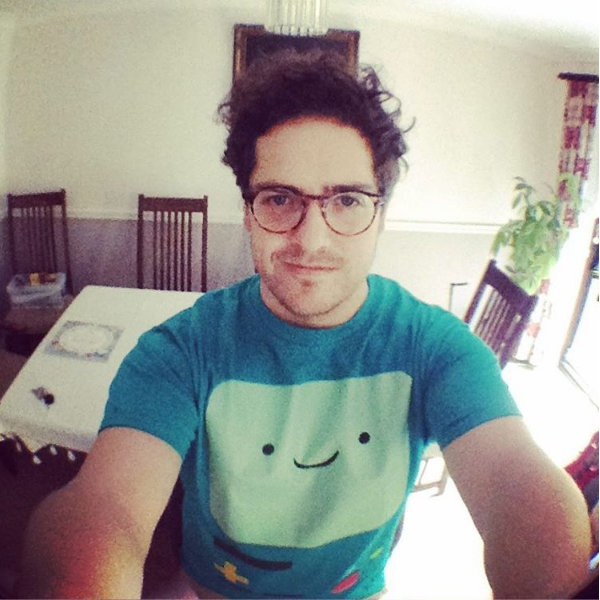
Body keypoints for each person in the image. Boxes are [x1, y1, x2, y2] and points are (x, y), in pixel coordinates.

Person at [18, 50, 592, 599]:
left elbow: (513, 478)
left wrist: (552, 566)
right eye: (279, 198)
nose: (311, 239)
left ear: (380, 215)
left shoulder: (434, 349)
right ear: (248, 212)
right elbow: (107, 508)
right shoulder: (179, 352)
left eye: (347, 200)